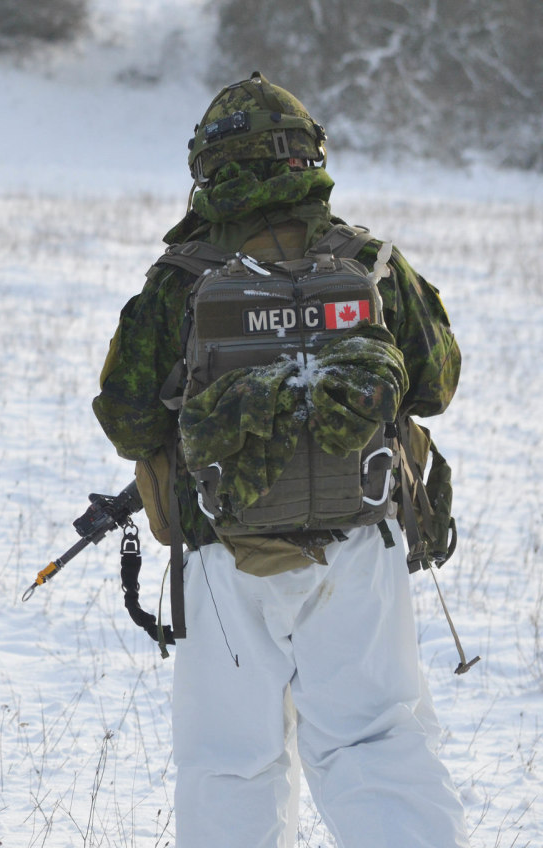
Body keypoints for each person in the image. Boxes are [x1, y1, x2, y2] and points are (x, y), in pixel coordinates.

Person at [92, 73, 469, 847]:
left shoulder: (179, 282)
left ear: (207, 170)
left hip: (224, 553)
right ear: (309, 157)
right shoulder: (371, 265)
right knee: (377, 744)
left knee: (231, 763)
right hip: (359, 542)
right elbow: (435, 384)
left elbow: (126, 418)